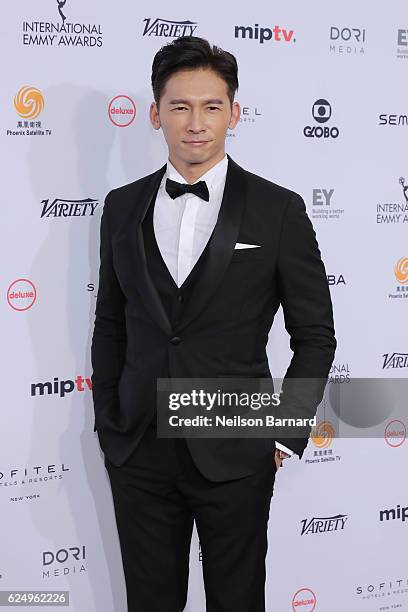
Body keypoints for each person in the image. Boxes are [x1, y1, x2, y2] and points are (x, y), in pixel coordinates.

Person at [91, 35, 336, 612]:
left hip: (235, 447)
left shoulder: (279, 210)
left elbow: (316, 335)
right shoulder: (122, 206)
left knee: (237, 600)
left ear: (233, 112)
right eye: (179, 106)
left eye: (210, 106)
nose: (195, 123)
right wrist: (110, 421)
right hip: (140, 452)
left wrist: (283, 430)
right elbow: (110, 324)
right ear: (156, 114)